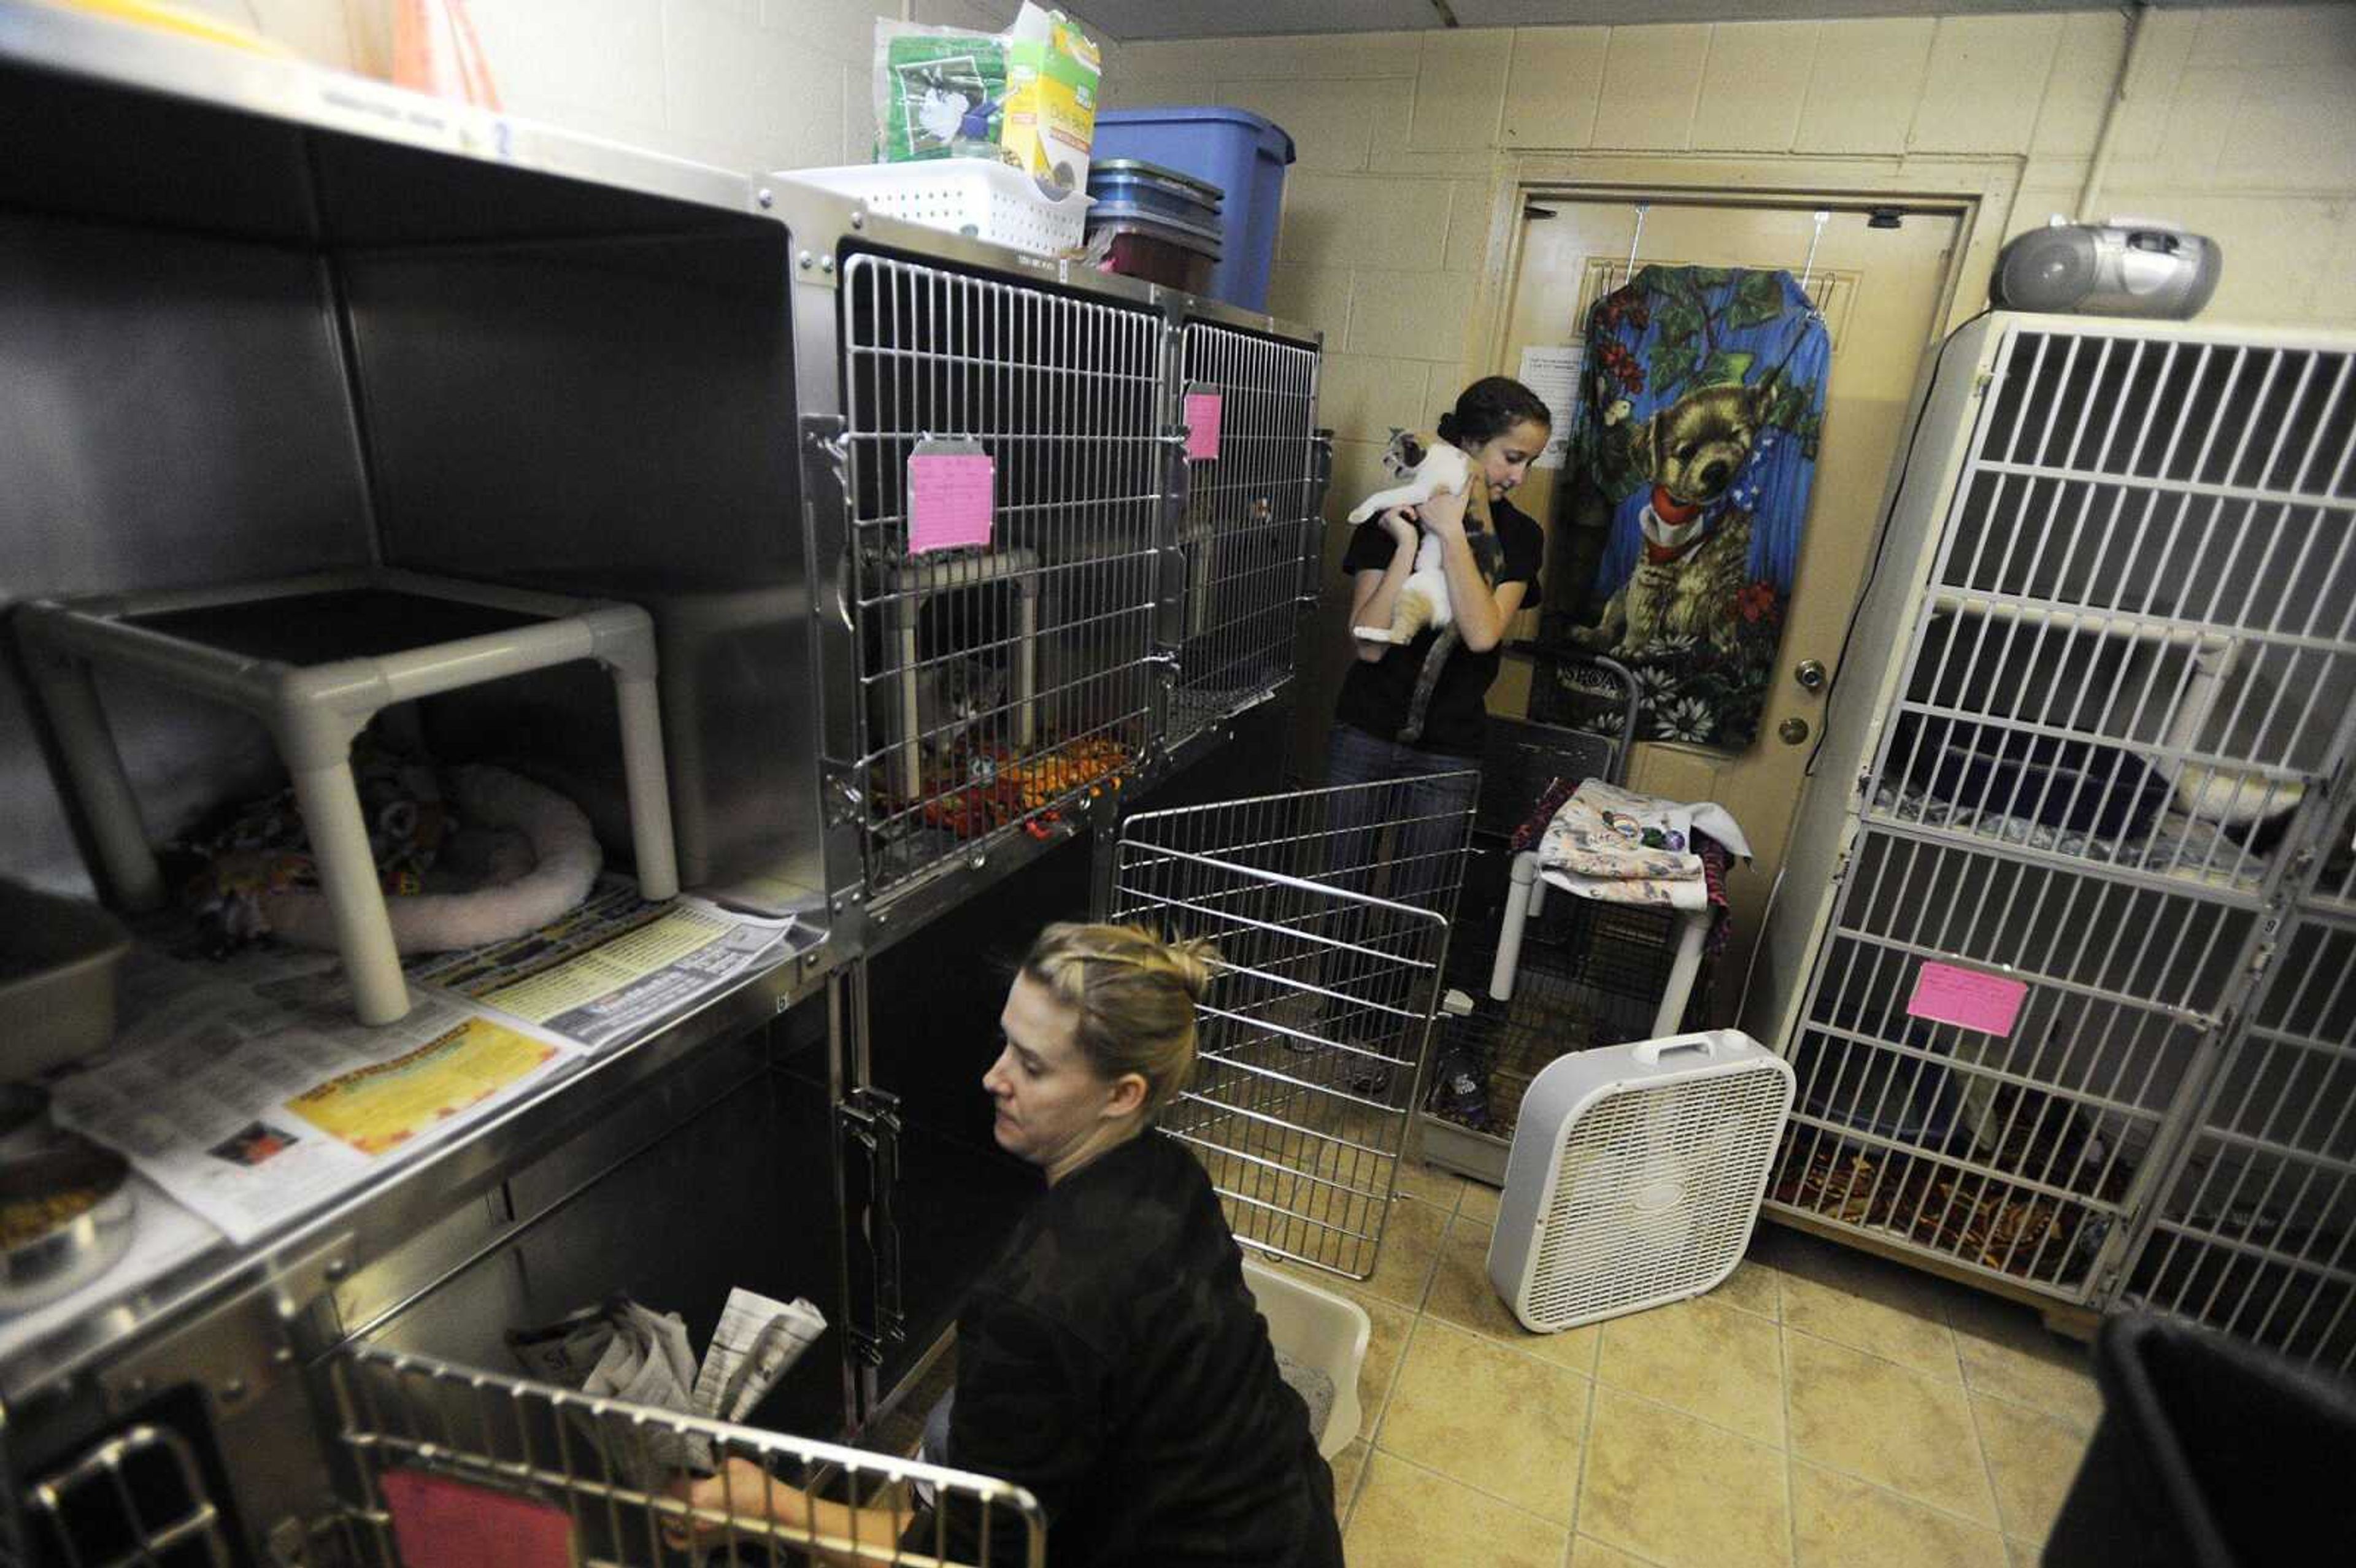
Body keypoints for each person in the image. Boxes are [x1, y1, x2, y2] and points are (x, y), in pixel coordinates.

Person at [669, 922, 1342, 1568]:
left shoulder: (1038, 1304)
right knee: (948, 1430)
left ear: (1121, 1094)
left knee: (954, 1448)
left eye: (1032, 1065)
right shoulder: (1170, 1172)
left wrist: (768, 1505)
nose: (994, 1078)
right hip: (1290, 1528)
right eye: (1005, 1045)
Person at [1328, 374, 1553, 915]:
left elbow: (1481, 633)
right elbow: (1369, 646)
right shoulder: (1393, 514)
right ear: (1470, 445)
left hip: (1449, 747)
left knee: (1418, 906)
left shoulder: (1521, 538)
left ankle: (1396, 1002)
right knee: (1339, 892)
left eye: (1530, 464)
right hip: (1365, 730)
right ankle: (1333, 1002)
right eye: (1512, 458)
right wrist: (1408, 542)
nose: (1519, 477)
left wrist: (1453, 533)